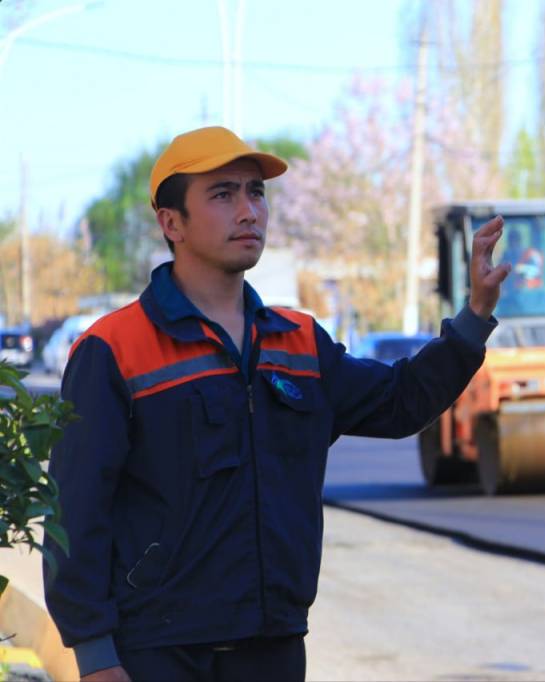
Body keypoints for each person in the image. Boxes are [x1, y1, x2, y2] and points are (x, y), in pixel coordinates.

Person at [42, 125, 511, 681]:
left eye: (256, 192)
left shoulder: (298, 343)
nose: (249, 211)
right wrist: (95, 656)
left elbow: (401, 403)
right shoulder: (114, 350)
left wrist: (474, 318)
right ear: (172, 222)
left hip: (274, 645)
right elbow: (75, 511)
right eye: (223, 194)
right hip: (158, 652)